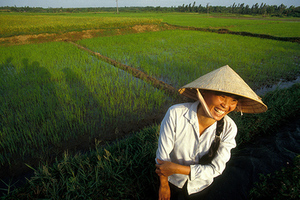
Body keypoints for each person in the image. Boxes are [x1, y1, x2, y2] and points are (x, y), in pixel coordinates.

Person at [155, 65, 267, 200]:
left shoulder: (229, 128)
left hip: (200, 186)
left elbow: (216, 169)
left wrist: (176, 168)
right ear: (203, 92)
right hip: (172, 181)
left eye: (233, 100)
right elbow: (163, 155)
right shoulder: (176, 114)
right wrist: (164, 185)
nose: (226, 105)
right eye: (222, 96)